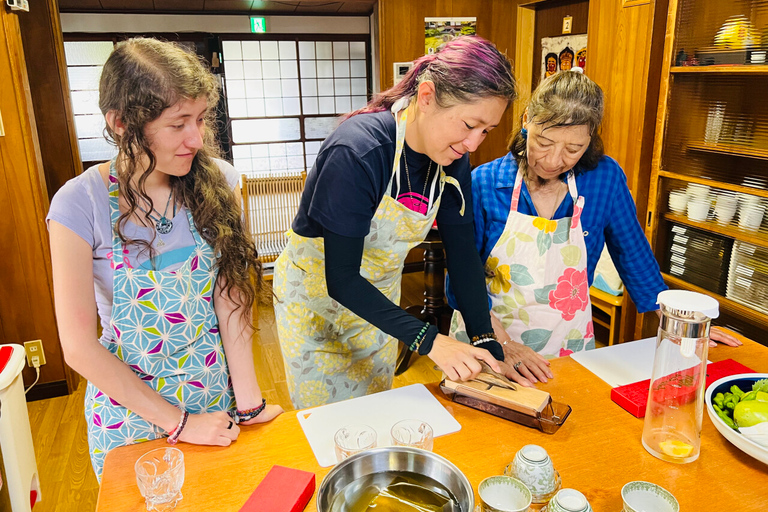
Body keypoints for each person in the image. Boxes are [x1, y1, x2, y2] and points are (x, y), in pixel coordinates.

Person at [47, 38, 282, 480]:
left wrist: (249, 404)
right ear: (120, 123)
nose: (196, 139)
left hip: (213, 392)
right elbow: (78, 347)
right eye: (178, 124)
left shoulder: (220, 181)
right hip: (131, 412)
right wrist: (177, 423)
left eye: (199, 119)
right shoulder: (80, 204)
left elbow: (231, 297)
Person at [447, 69, 740, 387]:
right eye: (543, 142)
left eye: (573, 149)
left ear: (590, 140)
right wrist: (500, 343)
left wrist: (681, 322)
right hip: (488, 334)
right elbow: (464, 278)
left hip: (566, 337)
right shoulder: (485, 183)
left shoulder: (604, 178)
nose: (553, 160)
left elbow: (633, 252)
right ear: (526, 120)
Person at [274, 36, 518, 409]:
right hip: (317, 307)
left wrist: (484, 336)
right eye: (470, 124)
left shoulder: (452, 157)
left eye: (486, 131)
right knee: (328, 427)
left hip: (378, 310)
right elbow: (341, 279)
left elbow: (462, 251)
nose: (474, 144)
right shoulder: (358, 151)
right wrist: (432, 340)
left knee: (374, 413)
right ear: (426, 97)